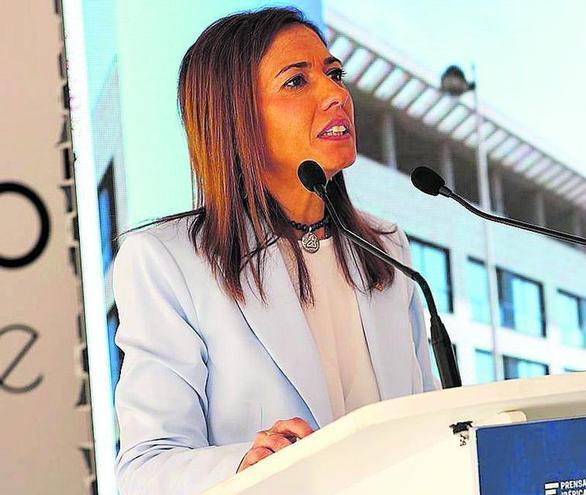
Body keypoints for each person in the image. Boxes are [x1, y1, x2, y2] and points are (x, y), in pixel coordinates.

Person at [112, 7, 438, 494]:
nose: (335, 95)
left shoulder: (385, 248)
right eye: (296, 82)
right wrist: (245, 464)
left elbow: (429, 424)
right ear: (233, 116)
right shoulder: (165, 260)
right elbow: (144, 469)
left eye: (333, 74)